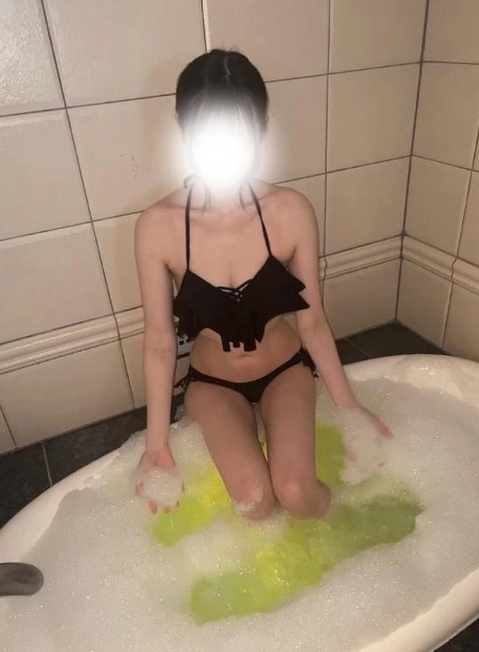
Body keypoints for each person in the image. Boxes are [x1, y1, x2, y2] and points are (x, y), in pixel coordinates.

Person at [135, 49, 391, 521]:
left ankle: (346, 533)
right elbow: (158, 342)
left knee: (297, 493)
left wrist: (350, 409)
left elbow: (312, 323)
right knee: (254, 502)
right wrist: (156, 445)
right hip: (213, 383)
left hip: (284, 370)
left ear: (261, 130)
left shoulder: (291, 211)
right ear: (185, 132)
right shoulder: (158, 226)